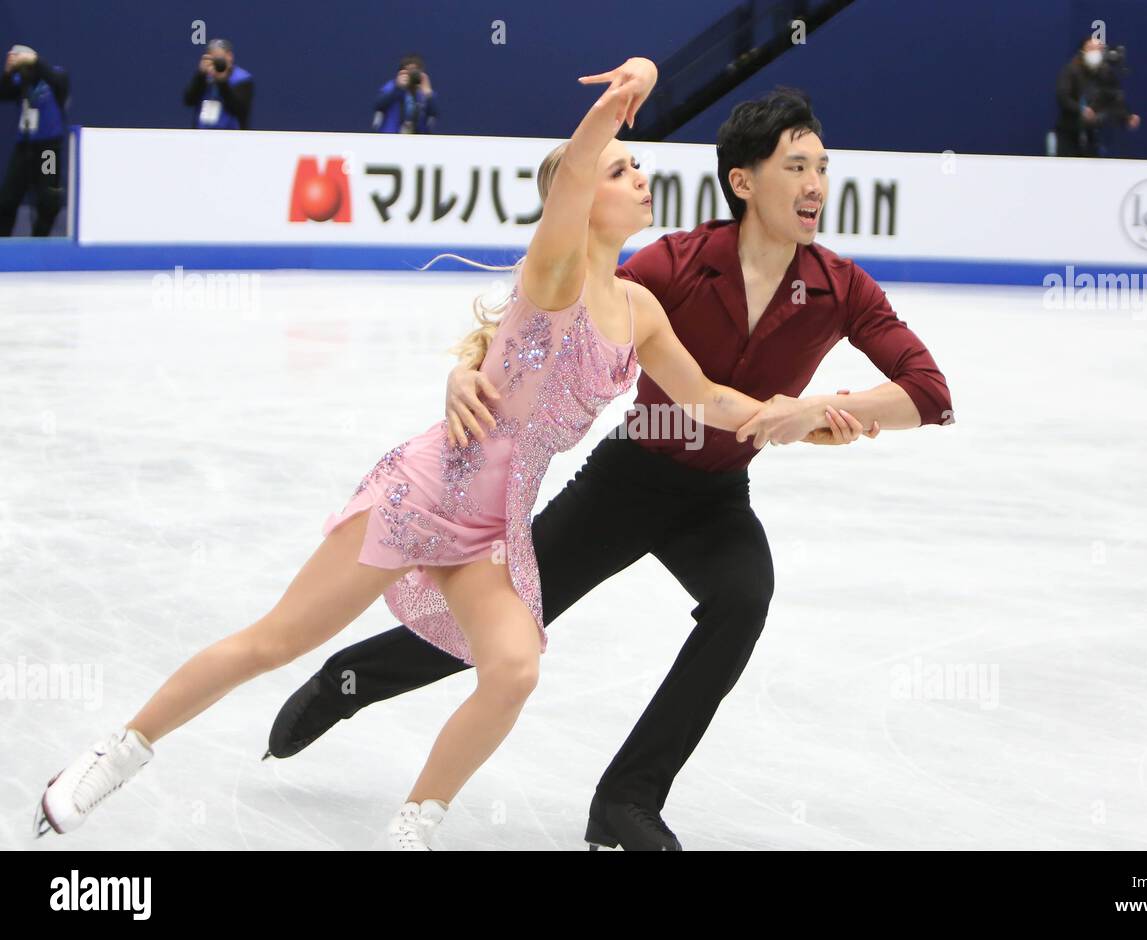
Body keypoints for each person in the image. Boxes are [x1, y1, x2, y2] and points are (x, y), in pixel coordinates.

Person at [33, 57, 835, 850]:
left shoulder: (641, 309)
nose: (639, 178)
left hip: (492, 528)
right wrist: (624, 99)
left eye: (637, 167)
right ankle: (115, 754)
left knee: (514, 668)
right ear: (587, 197)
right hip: (423, 495)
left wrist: (793, 414)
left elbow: (707, 398)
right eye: (622, 170)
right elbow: (570, 180)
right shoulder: (552, 276)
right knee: (275, 641)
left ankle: (414, 826)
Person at [266, 86, 954, 850]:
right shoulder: (676, 264)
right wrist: (464, 375)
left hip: (718, 498)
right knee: (512, 623)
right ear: (744, 182)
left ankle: (625, 802)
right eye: (797, 167)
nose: (817, 185)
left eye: (822, 167)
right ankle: (348, 680)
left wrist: (819, 407)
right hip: (628, 479)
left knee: (742, 599)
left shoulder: (839, 286)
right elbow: (537, 317)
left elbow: (929, 394)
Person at [0, 44, 69, 237]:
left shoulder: (55, 77)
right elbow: (3, 93)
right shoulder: (20, 80)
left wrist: (34, 60)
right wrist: (7, 72)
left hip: (48, 150)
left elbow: (57, 80)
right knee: (7, 200)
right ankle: (3, 242)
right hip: (25, 148)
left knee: (49, 199)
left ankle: (40, 239)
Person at [1054, 36, 1141, 157]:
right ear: (1082, 51)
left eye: (1098, 49)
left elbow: (1114, 99)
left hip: (1093, 134)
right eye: (1091, 48)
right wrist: (1080, 109)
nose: (1095, 52)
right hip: (1069, 132)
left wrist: (1127, 117)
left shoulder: (1105, 73)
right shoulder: (1071, 70)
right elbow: (1063, 97)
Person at [183, 38, 254, 130]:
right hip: (202, 134)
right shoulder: (204, 77)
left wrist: (222, 82)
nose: (217, 63)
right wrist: (200, 75)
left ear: (230, 57)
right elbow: (189, 100)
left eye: (220, 59)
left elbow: (239, 109)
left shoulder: (242, 79)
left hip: (232, 136)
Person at [373, 53, 439, 134]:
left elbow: (434, 113)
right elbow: (378, 105)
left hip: (418, 138)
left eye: (414, 71)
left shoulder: (424, 90)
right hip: (392, 136)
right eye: (408, 71)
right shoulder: (392, 86)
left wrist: (428, 94)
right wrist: (398, 88)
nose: (411, 74)